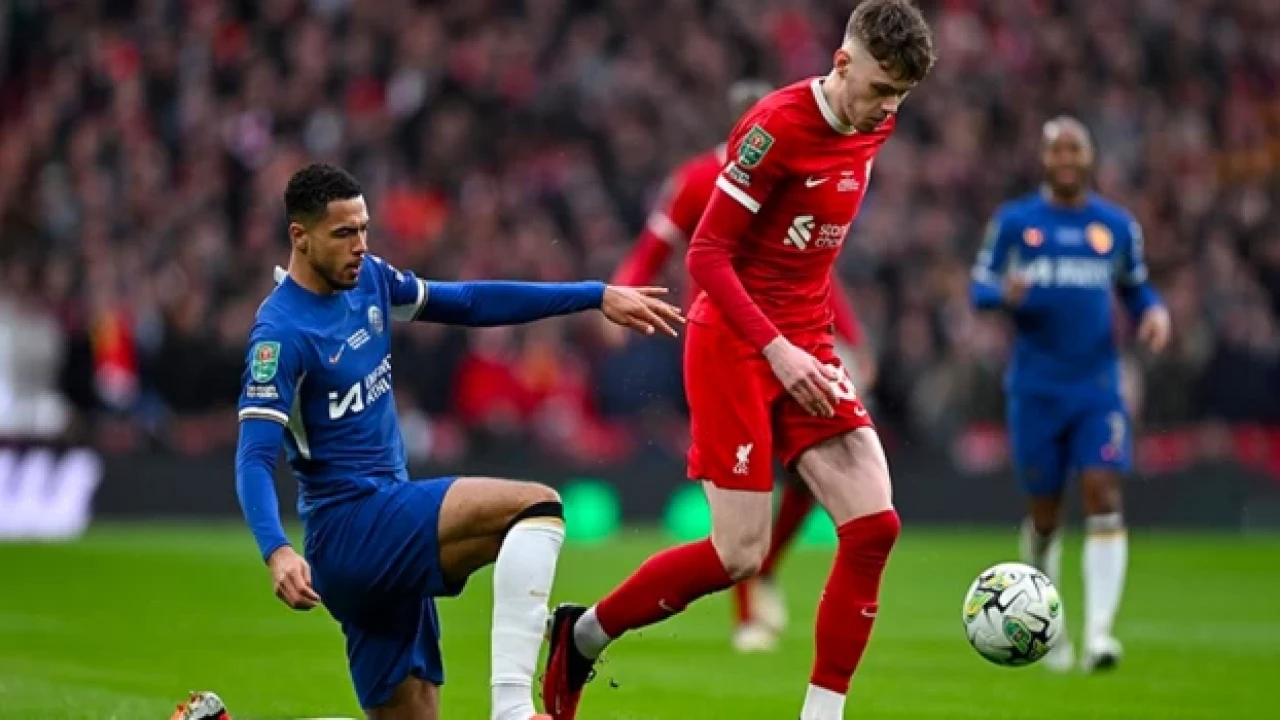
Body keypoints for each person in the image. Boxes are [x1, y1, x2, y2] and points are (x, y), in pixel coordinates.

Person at [542, 3, 936, 719]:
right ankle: (584, 634)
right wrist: (776, 350)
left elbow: (811, 248)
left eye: (900, 96)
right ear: (842, 63)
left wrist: (824, 338)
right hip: (732, 343)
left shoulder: (876, 122)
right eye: (881, 89)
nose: (888, 108)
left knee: (874, 525)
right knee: (738, 555)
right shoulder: (774, 128)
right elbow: (705, 254)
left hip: (806, 337)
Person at [232, 163, 683, 720]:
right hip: (351, 526)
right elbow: (253, 455)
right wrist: (277, 549)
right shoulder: (280, 334)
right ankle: (513, 708)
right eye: (344, 233)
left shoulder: (369, 281)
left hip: (384, 522)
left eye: (364, 228)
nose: (360, 245)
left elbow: (468, 302)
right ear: (299, 237)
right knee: (536, 507)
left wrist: (593, 295)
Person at [605, 79, 879, 653]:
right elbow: (654, 249)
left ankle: (768, 568)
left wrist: (851, 338)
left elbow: (816, 268)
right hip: (724, 344)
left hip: (795, 341)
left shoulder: (809, 159)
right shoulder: (697, 180)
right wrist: (621, 294)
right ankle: (747, 610)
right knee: (743, 498)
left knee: (808, 477)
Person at [969, 117, 1171, 673]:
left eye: (1074, 149)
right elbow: (979, 287)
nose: (1065, 158)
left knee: (1103, 492)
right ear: (1043, 158)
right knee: (1045, 513)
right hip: (1035, 388)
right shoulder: (1015, 223)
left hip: (1097, 386)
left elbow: (1135, 287)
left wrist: (1154, 312)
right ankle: (1046, 628)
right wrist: (1002, 294)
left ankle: (1100, 635)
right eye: (1056, 149)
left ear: (1089, 157)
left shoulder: (1116, 226)